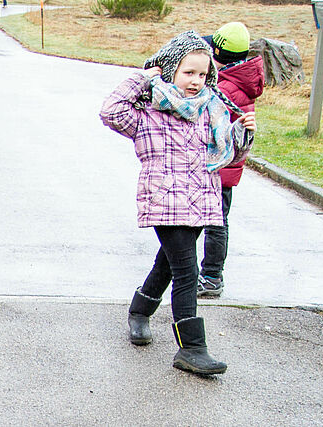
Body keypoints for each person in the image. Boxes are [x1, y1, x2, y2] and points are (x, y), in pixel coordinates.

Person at [99, 31, 255, 376]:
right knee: (187, 270)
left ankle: (140, 311)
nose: (196, 81)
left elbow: (227, 156)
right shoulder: (148, 112)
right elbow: (110, 111)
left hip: (201, 201)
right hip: (165, 202)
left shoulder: (210, 110)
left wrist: (243, 134)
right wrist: (144, 77)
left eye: (202, 74)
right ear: (170, 70)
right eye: (188, 72)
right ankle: (192, 349)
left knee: (168, 265)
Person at [196, 22, 264, 298]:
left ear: (218, 54)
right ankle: (208, 275)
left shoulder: (225, 87)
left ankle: (212, 276)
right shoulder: (240, 78)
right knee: (216, 220)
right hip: (228, 167)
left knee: (214, 224)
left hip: (218, 167)